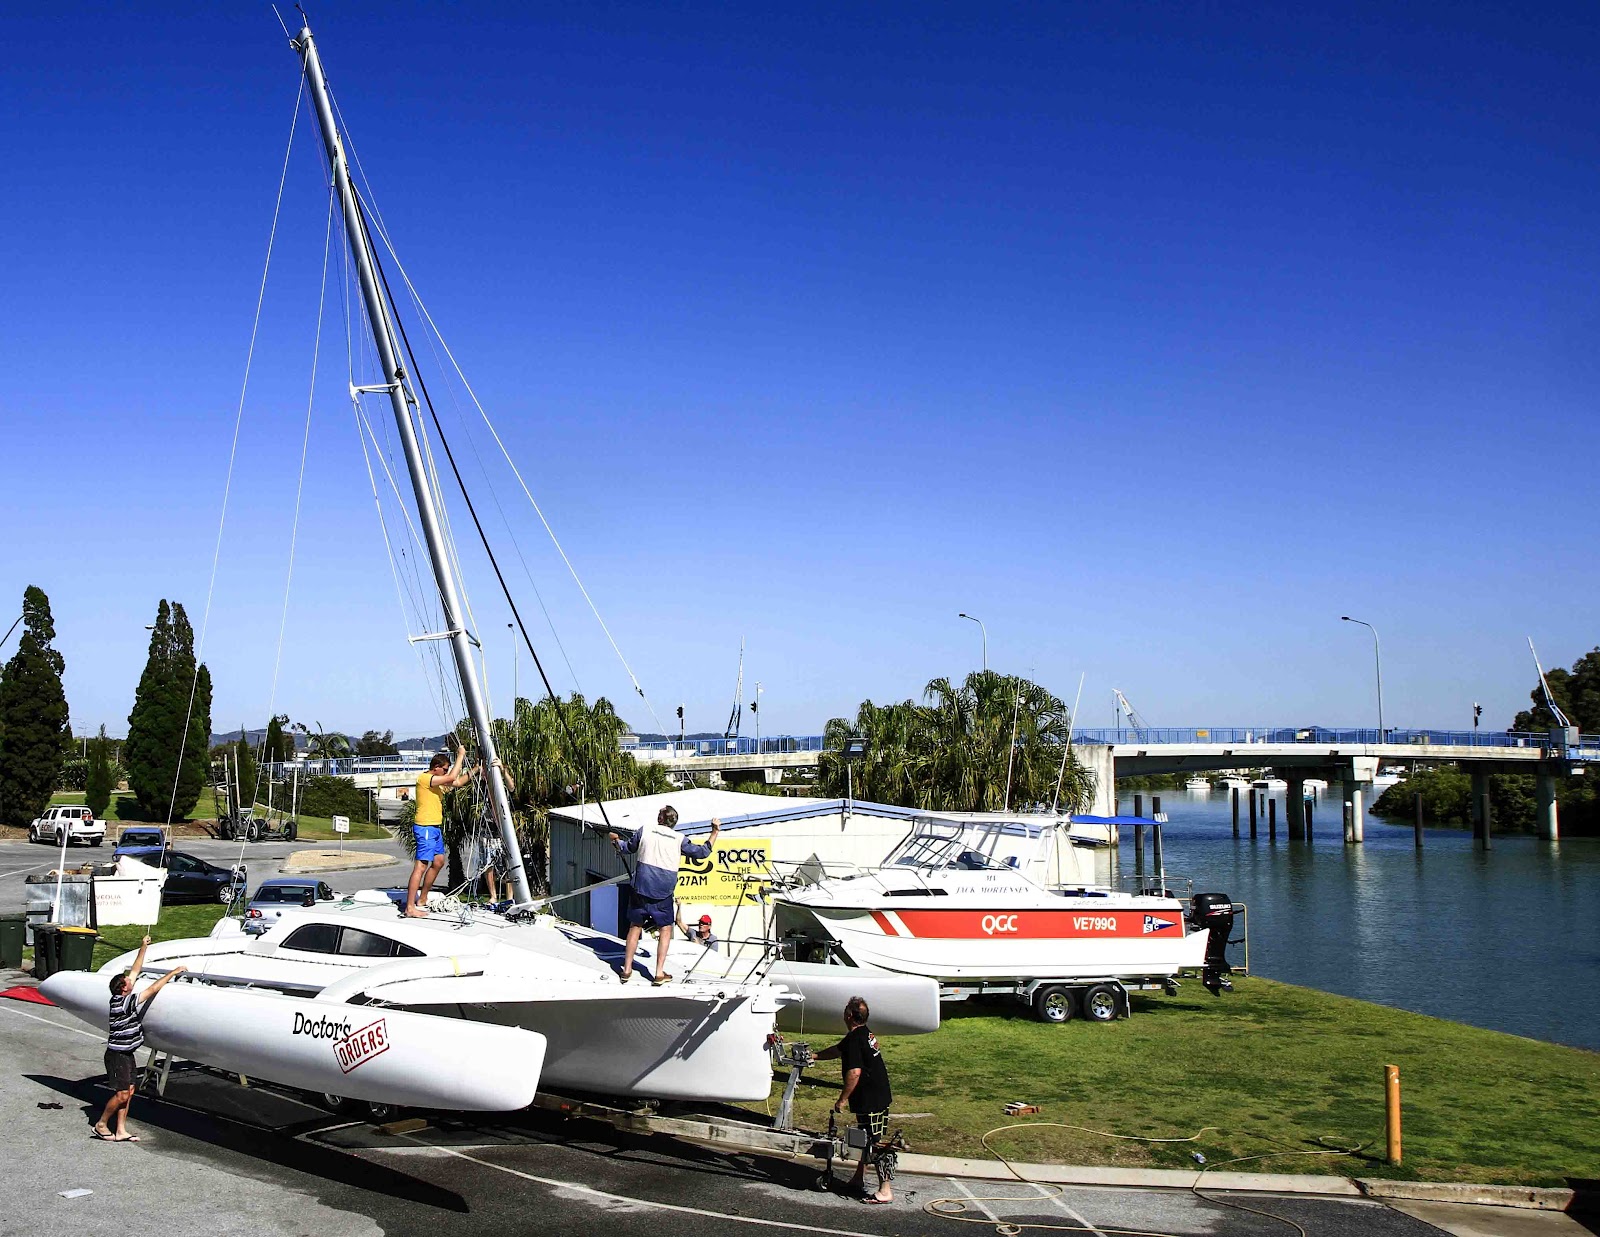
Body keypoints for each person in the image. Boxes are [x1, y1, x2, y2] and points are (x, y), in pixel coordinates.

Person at [608, 808, 720, 985]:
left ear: (660, 818)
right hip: (663, 893)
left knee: (635, 926)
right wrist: (714, 832)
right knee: (666, 929)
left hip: (641, 889)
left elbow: (627, 848)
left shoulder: (645, 830)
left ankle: (627, 970)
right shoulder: (679, 839)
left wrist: (615, 841)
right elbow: (702, 853)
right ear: (673, 822)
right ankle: (659, 973)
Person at [93, 934, 187, 1142]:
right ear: (123, 988)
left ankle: (120, 1130)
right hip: (118, 1056)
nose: (131, 980)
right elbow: (152, 989)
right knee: (122, 1095)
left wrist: (143, 947)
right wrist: (173, 972)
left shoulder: (122, 995)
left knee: (130, 1091)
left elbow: (135, 970)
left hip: (126, 1054)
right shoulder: (124, 1002)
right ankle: (100, 1124)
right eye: (128, 981)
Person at [815, 995, 896, 1204]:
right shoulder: (862, 1034)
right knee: (866, 1139)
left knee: (875, 1142)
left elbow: (855, 1072)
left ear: (849, 1015)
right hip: (875, 1095)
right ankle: (858, 1179)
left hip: (872, 1098)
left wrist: (842, 1100)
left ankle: (885, 1190)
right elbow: (838, 1050)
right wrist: (814, 1056)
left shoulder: (856, 1038)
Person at [406, 738, 471, 917]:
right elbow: (451, 778)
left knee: (439, 862)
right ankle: (410, 907)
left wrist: (475, 770)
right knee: (421, 865)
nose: (446, 772)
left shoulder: (437, 784)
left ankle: (423, 898)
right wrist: (460, 756)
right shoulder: (425, 779)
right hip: (425, 826)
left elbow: (456, 783)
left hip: (434, 828)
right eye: (444, 768)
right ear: (436, 767)